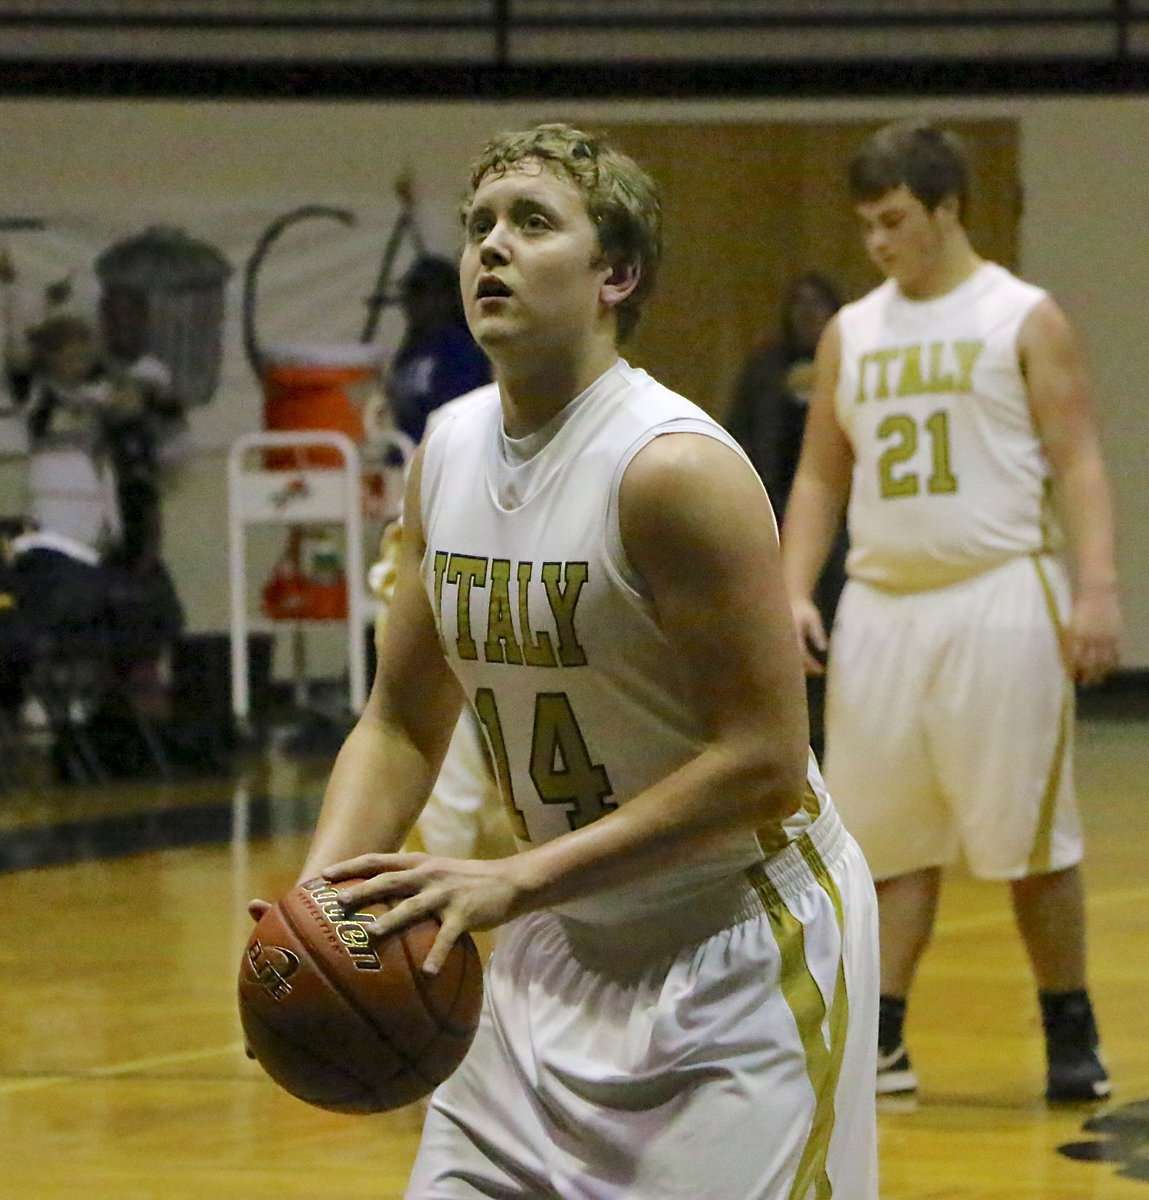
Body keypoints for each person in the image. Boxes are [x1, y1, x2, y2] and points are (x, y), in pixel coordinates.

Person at [255, 122, 879, 1198]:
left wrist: (516, 876)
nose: (491, 247)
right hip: (557, 938)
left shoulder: (670, 470)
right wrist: (322, 905)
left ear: (617, 275)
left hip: (734, 943)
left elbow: (767, 760)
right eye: (480, 226)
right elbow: (402, 719)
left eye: (533, 223)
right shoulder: (445, 449)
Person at [780, 120, 1122, 1103]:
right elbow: (817, 480)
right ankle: (881, 1041)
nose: (879, 242)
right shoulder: (854, 330)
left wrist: (1095, 588)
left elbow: (1079, 460)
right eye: (867, 226)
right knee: (884, 842)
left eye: (895, 221)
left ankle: (1070, 1030)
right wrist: (794, 588)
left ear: (947, 208)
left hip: (1000, 596)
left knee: (1030, 839)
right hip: (884, 606)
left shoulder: (1022, 315)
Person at [726, 271, 847, 760]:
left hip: (844, 530)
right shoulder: (764, 368)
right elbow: (741, 439)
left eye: (818, 306)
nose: (808, 315)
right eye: (799, 306)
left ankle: (834, 733)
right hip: (773, 521)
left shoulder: (850, 364)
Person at [385, 253, 492, 444]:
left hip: (444, 456)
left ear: (445, 297)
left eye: (420, 293)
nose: (410, 303)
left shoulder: (461, 350)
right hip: (405, 453)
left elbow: (459, 419)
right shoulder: (413, 347)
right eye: (409, 294)